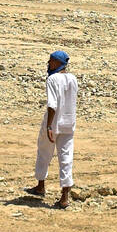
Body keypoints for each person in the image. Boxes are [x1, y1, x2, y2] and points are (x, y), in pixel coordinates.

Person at [26, 50, 78, 209]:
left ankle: (41, 185)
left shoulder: (52, 79)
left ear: (56, 62)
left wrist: (49, 125)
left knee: (44, 152)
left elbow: (52, 105)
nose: (48, 64)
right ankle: (65, 196)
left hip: (54, 123)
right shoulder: (73, 79)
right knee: (66, 157)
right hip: (69, 123)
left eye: (51, 61)